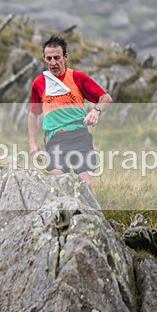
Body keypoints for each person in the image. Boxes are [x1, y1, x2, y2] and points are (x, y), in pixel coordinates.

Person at [28, 34, 112, 196]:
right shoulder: (39, 83)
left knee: (86, 183)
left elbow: (106, 98)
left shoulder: (77, 78)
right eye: (49, 58)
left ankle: (97, 219)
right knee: (57, 182)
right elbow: (33, 114)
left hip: (79, 136)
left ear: (65, 57)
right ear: (44, 59)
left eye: (57, 58)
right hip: (55, 139)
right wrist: (33, 143)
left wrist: (96, 111)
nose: (53, 62)